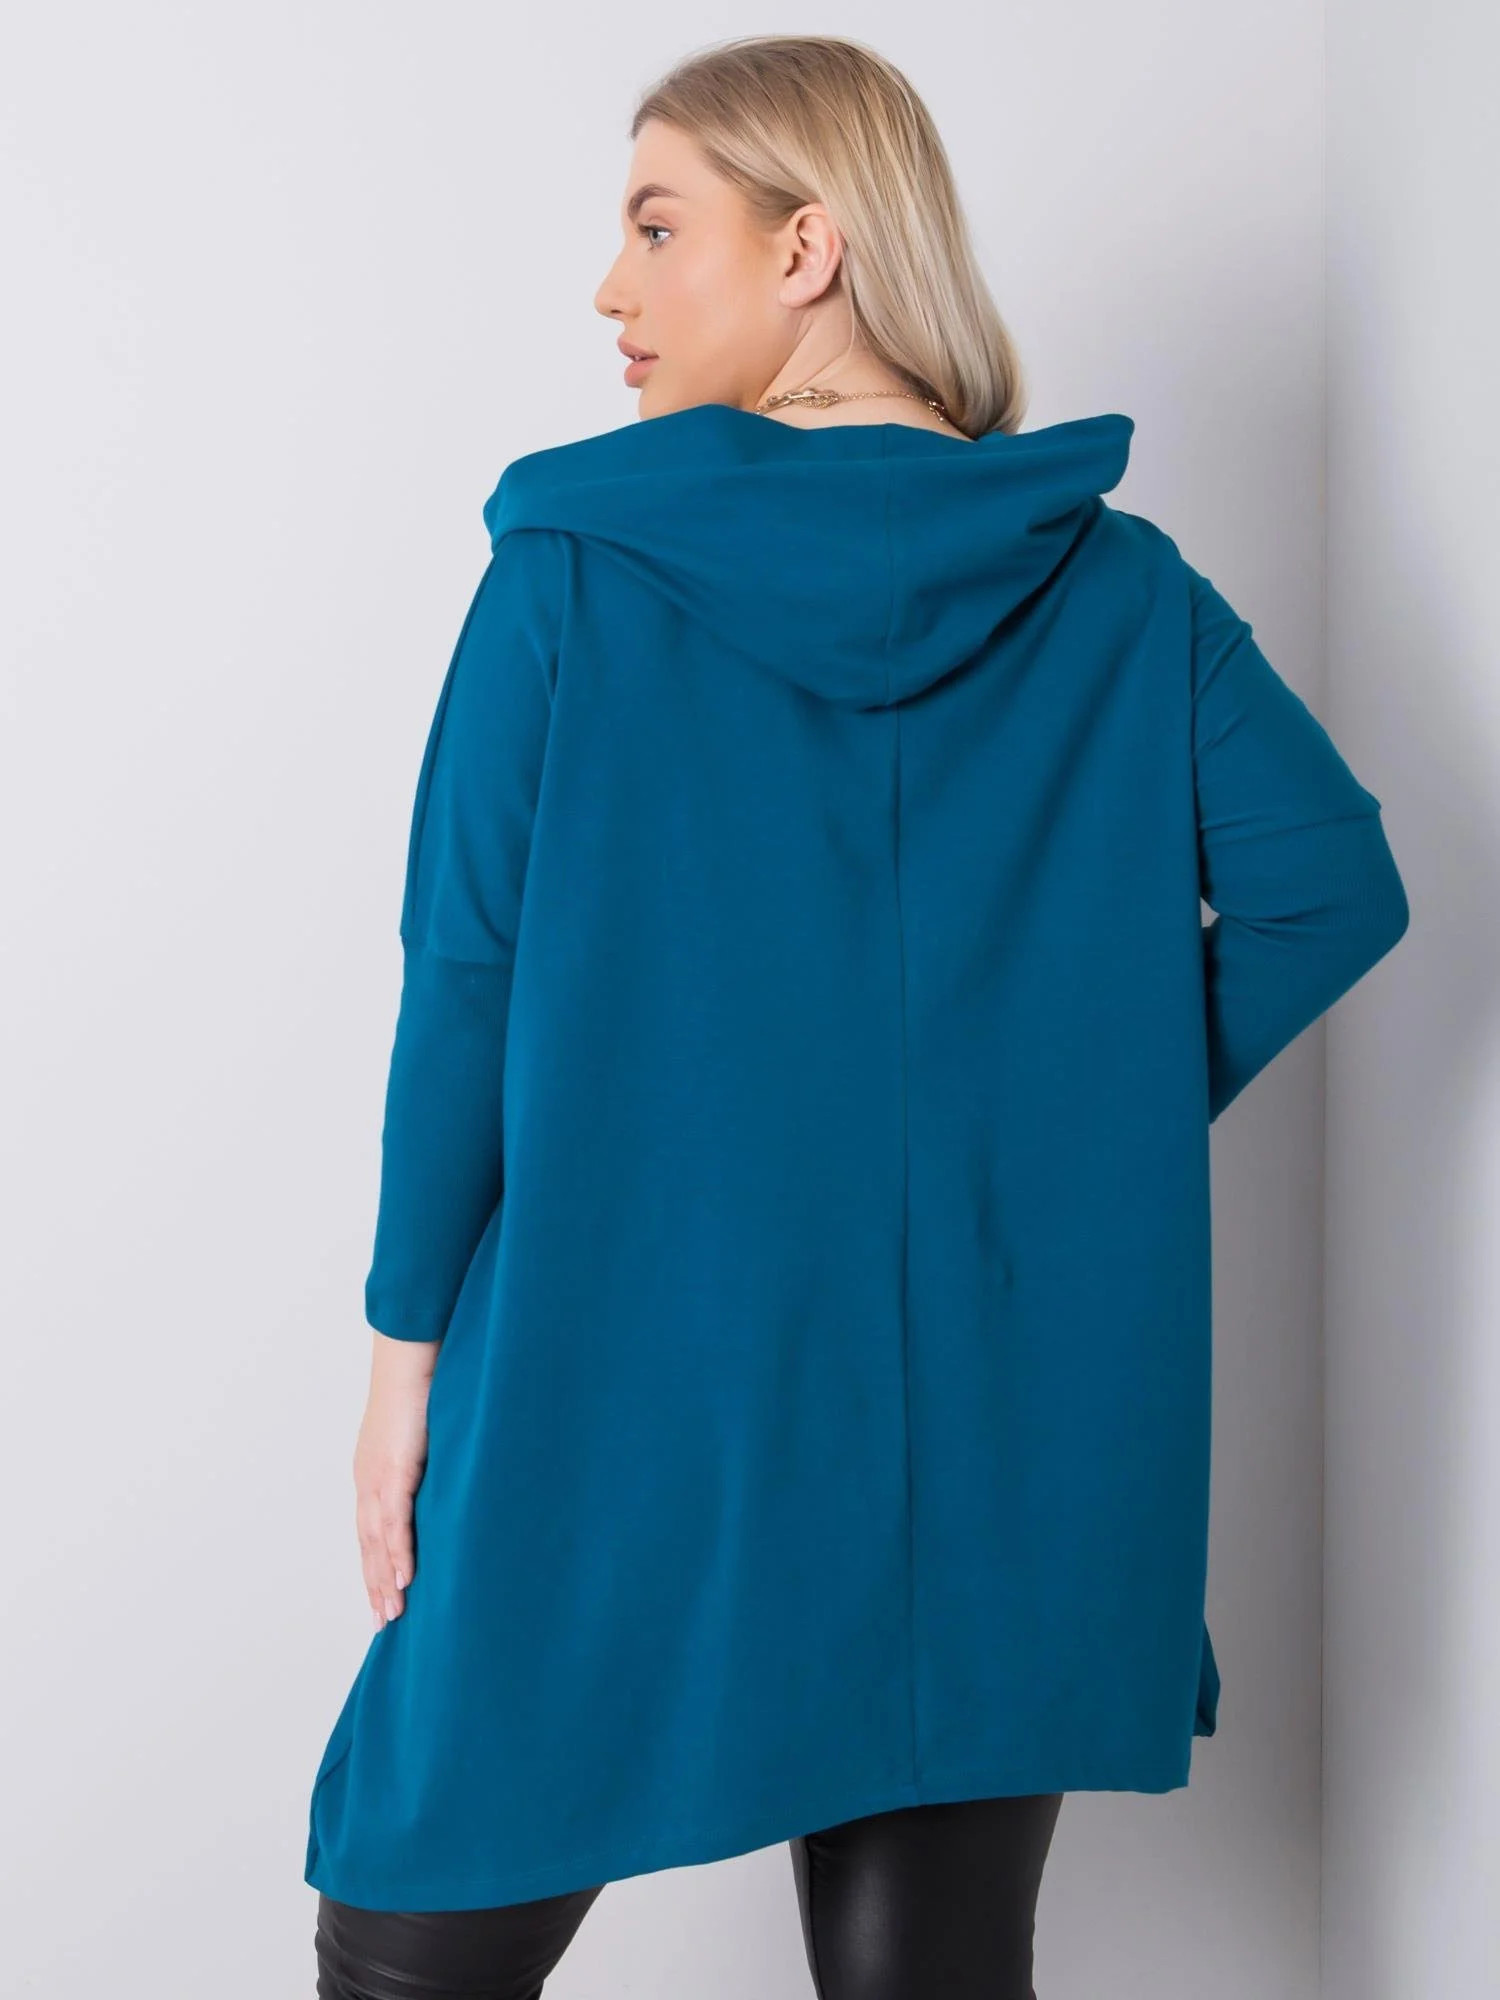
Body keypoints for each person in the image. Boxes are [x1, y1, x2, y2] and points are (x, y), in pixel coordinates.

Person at [304, 33, 1410, 2000]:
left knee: (406, 1938)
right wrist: (1073, 1113)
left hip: (616, 1382)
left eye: (659, 226)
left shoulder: (571, 571)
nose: (613, 287)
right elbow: (1330, 882)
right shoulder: (1122, 593)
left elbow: (464, 977)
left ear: (808, 247)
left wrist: (404, 1368)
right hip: (1001, 1405)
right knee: (932, 1970)